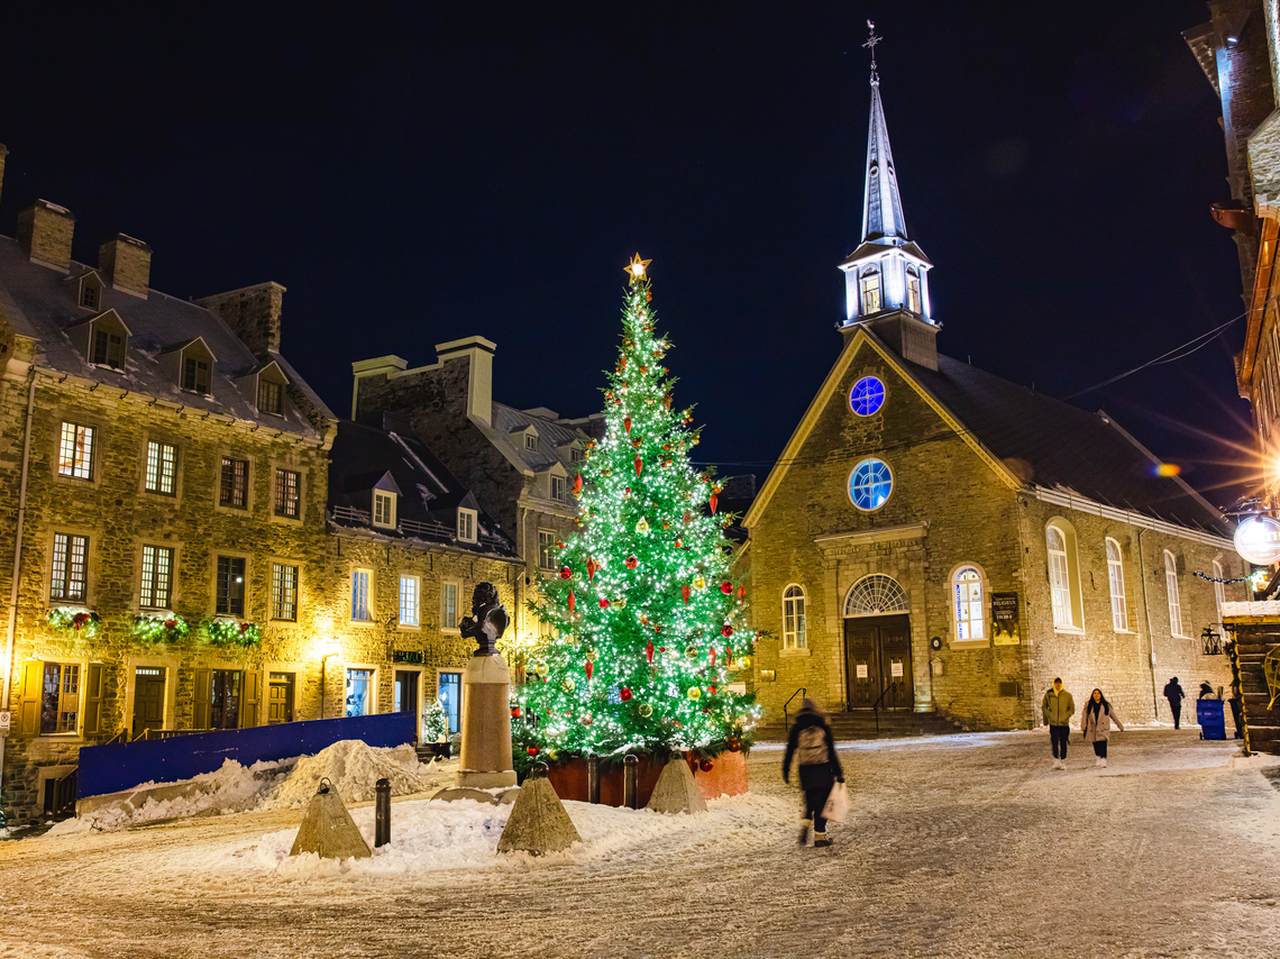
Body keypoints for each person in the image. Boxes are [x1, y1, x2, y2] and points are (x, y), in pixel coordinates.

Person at [782, 699, 844, 848]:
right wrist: (839, 772)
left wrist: (786, 769)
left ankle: (805, 826)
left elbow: (790, 749)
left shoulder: (797, 727)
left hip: (806, 769)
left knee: (810, 803)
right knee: (822, 805)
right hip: (823, 768)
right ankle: (819, 837)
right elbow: (831, 750)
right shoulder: (822, 725)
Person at [1080, 688, 1124, 768]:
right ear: (1092, 695)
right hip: (1092, 728)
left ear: (1101, 695)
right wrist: (1083, 726)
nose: (1096, 695)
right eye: (1094, 693)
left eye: (1098, 693)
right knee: (1096, 744)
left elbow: (1113, 716)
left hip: (1103, 728)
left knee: (1103, 744)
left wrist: (1120, 725)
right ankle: (1098, 758)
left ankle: (1103, 760)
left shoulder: (1106, 705)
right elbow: (1084, 716)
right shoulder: (1088, 705)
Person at [1041, 677, 1075, 770]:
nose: (1058, 684)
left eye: (1059, 683)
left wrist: (1065, 717)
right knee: (1054, 743)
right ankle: (1056, 762)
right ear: (1054, 684)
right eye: (1056, 683)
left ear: (1062, 684)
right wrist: (1050, 716)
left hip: (1064, 724)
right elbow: (1044, 707)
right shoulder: (1049, 694)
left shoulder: (1068, 695)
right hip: (1054, 724)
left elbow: (1072, 709)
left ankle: (1063, 762)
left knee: (1063, 743)